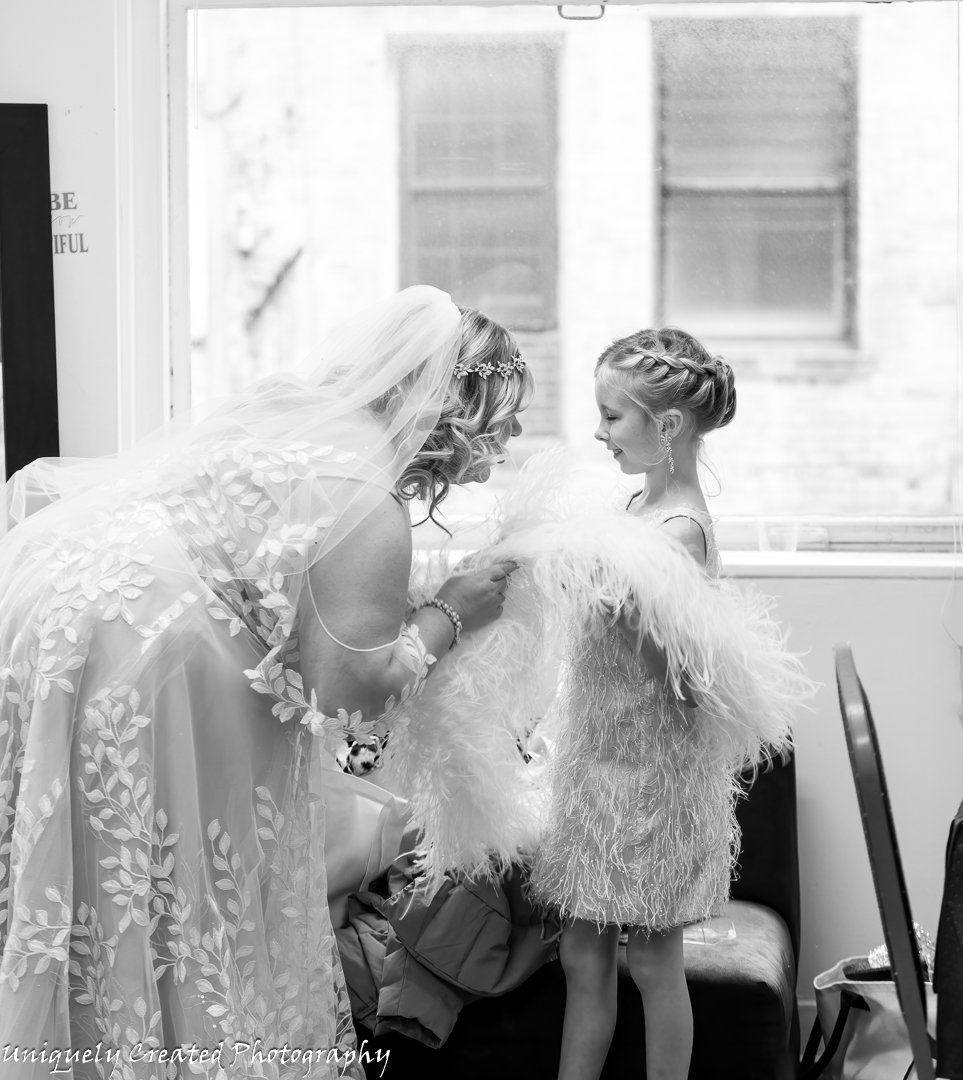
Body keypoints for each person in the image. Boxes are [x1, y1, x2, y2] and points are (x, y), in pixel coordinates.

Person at [0, 285, 531, 1079]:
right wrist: (452, 613)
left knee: (96, 875)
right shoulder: (367, 496)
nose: (511, 437)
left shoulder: (285, 418)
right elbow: (349, 694)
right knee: (179, 904)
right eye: (506, 417)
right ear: (458, 406)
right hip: (162, 663)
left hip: (66, 612)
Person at [526, 326, 737, 1080]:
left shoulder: (678, 531)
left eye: (613, 416)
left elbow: (685, 682)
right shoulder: (633, 504)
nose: (598, 430)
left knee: (651, 959)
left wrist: (626, 611)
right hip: (598, 760)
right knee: (582, 950)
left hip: (652, 774)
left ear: (668, 426)